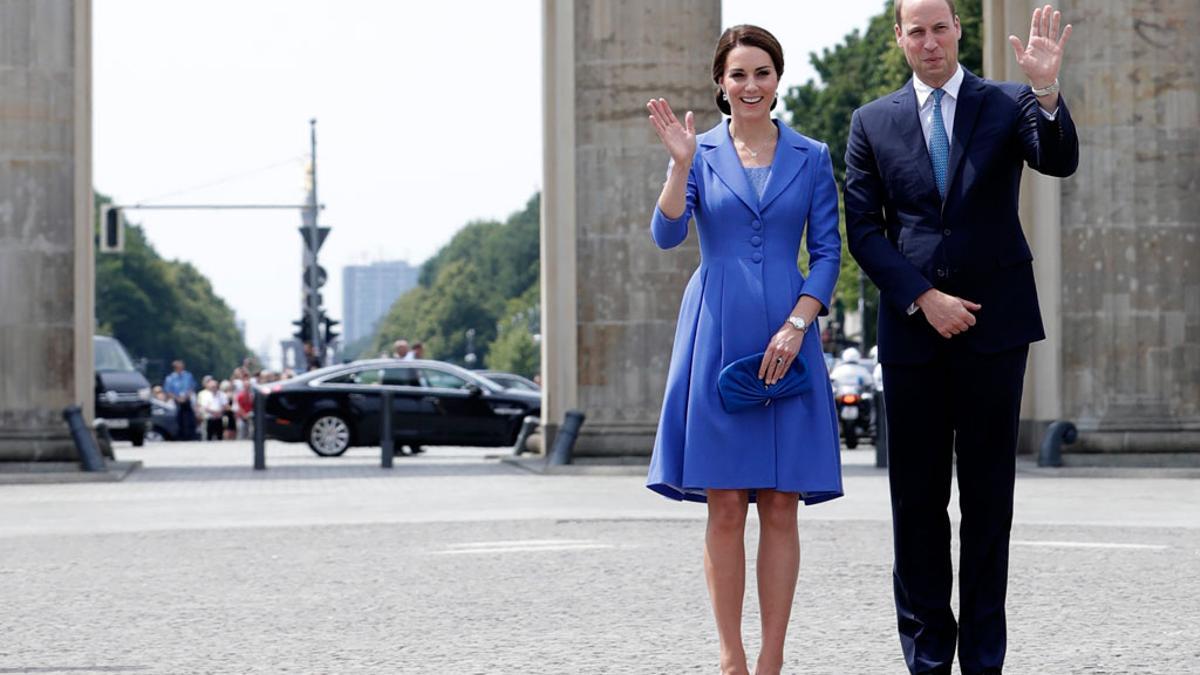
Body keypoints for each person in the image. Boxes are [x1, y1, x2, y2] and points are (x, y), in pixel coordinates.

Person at [843, 2, 1077, 673]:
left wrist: (1047, 90)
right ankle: (925, 658)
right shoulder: (872, 122)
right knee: (916, 504)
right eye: (915, 30)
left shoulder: (1008, 104)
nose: (929, 40)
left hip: (996, 332)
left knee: (987, 503)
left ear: (958, 31)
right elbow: (864, 230)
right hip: (915, 336)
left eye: (939, 27)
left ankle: (982, 659)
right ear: (899, 39)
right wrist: (923, 297)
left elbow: (1058, 160)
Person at [644, 24, 843, 675]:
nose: (750, 85)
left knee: (781, 501)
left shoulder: (812, 156)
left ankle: (772, 657)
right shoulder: (696, 152)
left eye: (761, 73)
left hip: (791, 333)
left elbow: (828, 252)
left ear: (777, 80)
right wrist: (678, 165)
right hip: (715, 330)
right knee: (726, 501)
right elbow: (668, 234)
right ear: (720, 83)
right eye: (738, 74)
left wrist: (799, 323)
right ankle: (730, 657)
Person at [163, 360, 197, 442]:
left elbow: (192, 386)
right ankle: (179, 436)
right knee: (178, 418)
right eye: (179, 367)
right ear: (175, 368)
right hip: (176, 401)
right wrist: (177, 398)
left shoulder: (188, 375)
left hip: (187, 400)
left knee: (190, 418)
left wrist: (186, 396)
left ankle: (190, 436)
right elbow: (168, 391)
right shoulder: (170, 378)